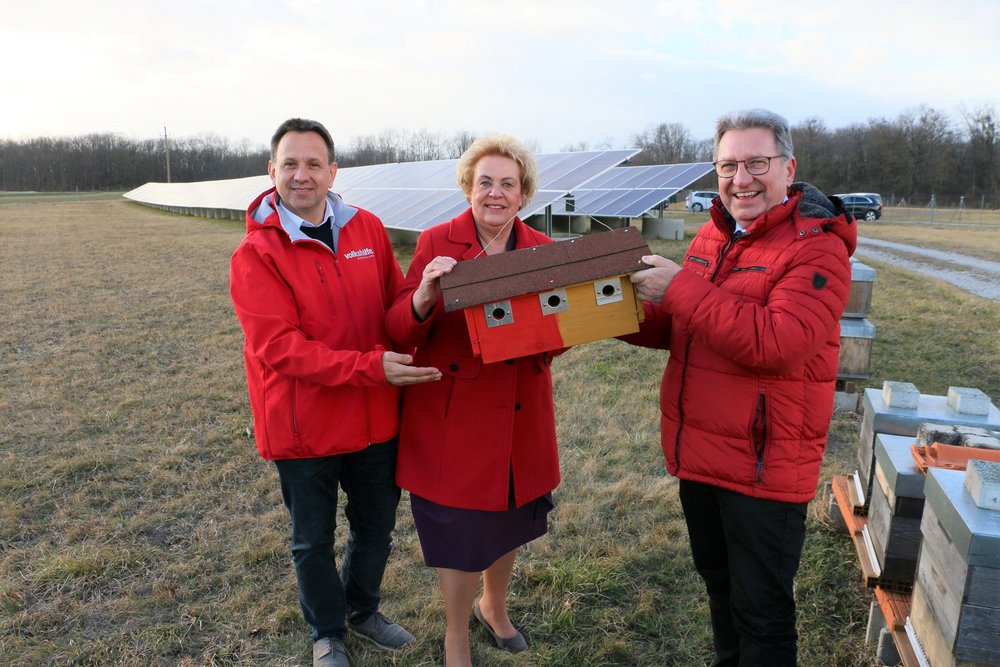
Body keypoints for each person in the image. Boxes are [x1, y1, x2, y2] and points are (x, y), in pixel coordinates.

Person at [626, 109, 857, 666]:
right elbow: (694, 327)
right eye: (728, 165)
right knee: (721, 590)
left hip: (762, 467)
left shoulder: (817, 248)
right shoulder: (715, 233)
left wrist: (677, 287)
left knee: (762, 615)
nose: (741, 178)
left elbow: (780, 343)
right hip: (703, 453)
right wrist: (618, 313)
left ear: (788, 168)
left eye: (757, 163)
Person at [229, 118, 442, 667]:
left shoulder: (367, 229)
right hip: (306, 426)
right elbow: (280, 348)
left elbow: (394, 304)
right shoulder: (256, 255)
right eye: (291, 164)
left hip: (373, 419)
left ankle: (363, 609)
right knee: (313, 541)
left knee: (375, 528)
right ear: (271, 170)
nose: (303, 175)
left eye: (314, 163)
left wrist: (420, 298)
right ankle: (328, 631)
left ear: (333, 171)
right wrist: (372, 368)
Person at [385, 135, 560, 667]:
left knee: (508, 521)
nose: (496, 193)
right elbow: (398, 329)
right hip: (455, 416)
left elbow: (561, 330)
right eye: (485, 182)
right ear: (468, 187)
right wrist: (424, 296)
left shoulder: (543, 250)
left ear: (523, 193)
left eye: (508, 184)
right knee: (460, 534)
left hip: (518, 411)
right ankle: (455, 633)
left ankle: (494, 606)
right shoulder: (437, 241)